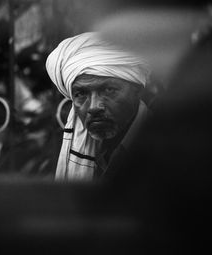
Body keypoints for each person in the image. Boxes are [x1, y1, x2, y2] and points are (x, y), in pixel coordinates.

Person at [46, 32, 150, 182]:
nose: (94, 107)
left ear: (138, 90)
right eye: (81, 94)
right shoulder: (61, 150)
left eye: (109, 90)